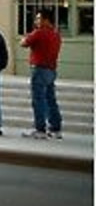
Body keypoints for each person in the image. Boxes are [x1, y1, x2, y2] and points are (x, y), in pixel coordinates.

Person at [20, 12, 62, 140]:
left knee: (38, 99)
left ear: (46, 20)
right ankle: (55, 128)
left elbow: (24, 43)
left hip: (39, 68)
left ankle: (40, 129)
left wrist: (25, 37)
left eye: (38, 18)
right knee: (51, 99)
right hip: (51, 68)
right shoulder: (56, 34)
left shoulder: (39, 33)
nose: (36, 21)